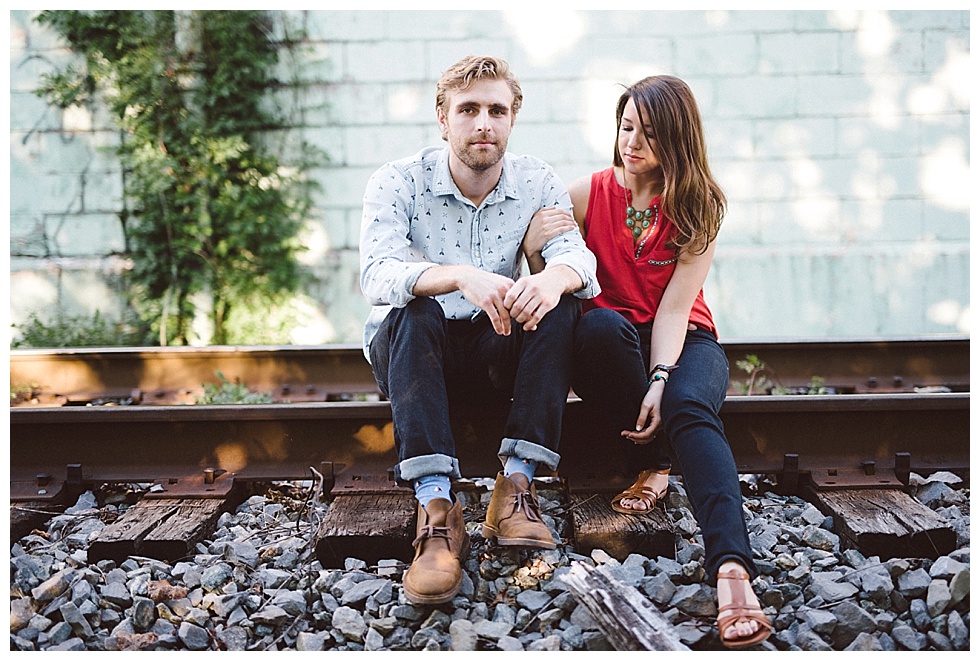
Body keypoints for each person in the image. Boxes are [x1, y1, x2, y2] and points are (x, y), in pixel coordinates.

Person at [523, 75, 771, 648]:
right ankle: (657, 455)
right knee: (601, 324)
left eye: (649, 134)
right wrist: (535, 244)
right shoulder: (587, 193)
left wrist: (661, 379)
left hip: (684, 338)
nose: (630, 142)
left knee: (689, 405)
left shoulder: (697, 205)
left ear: (679, 141)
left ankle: (732, 572)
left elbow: (675, 309)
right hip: (608, 348)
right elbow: (547, 278)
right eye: (626, 126)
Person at [358, 55, 599, 606]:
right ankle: (437, 511)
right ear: (443, 119)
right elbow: (377, 274)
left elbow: (581, 265)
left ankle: (515, 488)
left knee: (557, 302)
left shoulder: (537, 180)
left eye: (497, 110)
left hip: (494, 347)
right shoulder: (397, 180)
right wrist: (458, 277)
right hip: (415, 351)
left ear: (513, 118)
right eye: (468, 110)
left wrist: (550, 276)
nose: (483, 123)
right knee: (415, 309)